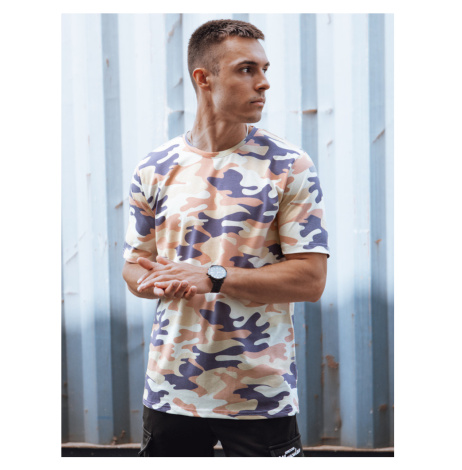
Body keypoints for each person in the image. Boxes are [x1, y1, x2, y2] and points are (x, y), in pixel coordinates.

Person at [122, 18, 329, 457]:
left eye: (264, 69)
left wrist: (212, 277)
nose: (264, 82)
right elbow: (133, 268)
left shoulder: (289, 165)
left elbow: (310, 280)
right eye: (246, 70)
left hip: (259, 394)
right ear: (204, 78)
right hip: (171, 389)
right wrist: (158, 281)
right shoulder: (154, 168)